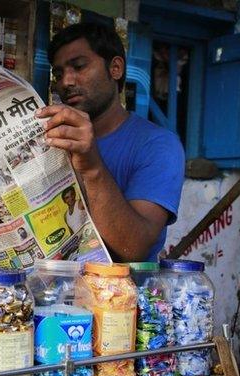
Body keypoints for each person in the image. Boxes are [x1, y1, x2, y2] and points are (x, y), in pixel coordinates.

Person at [37, 22, 184, 262]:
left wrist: (92, 166)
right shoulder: (53, 139)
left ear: (115, 68)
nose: (66, 82)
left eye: (79, 66)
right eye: (59, 73)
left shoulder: (158, 145)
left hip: (117, 296)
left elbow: (133, 248)